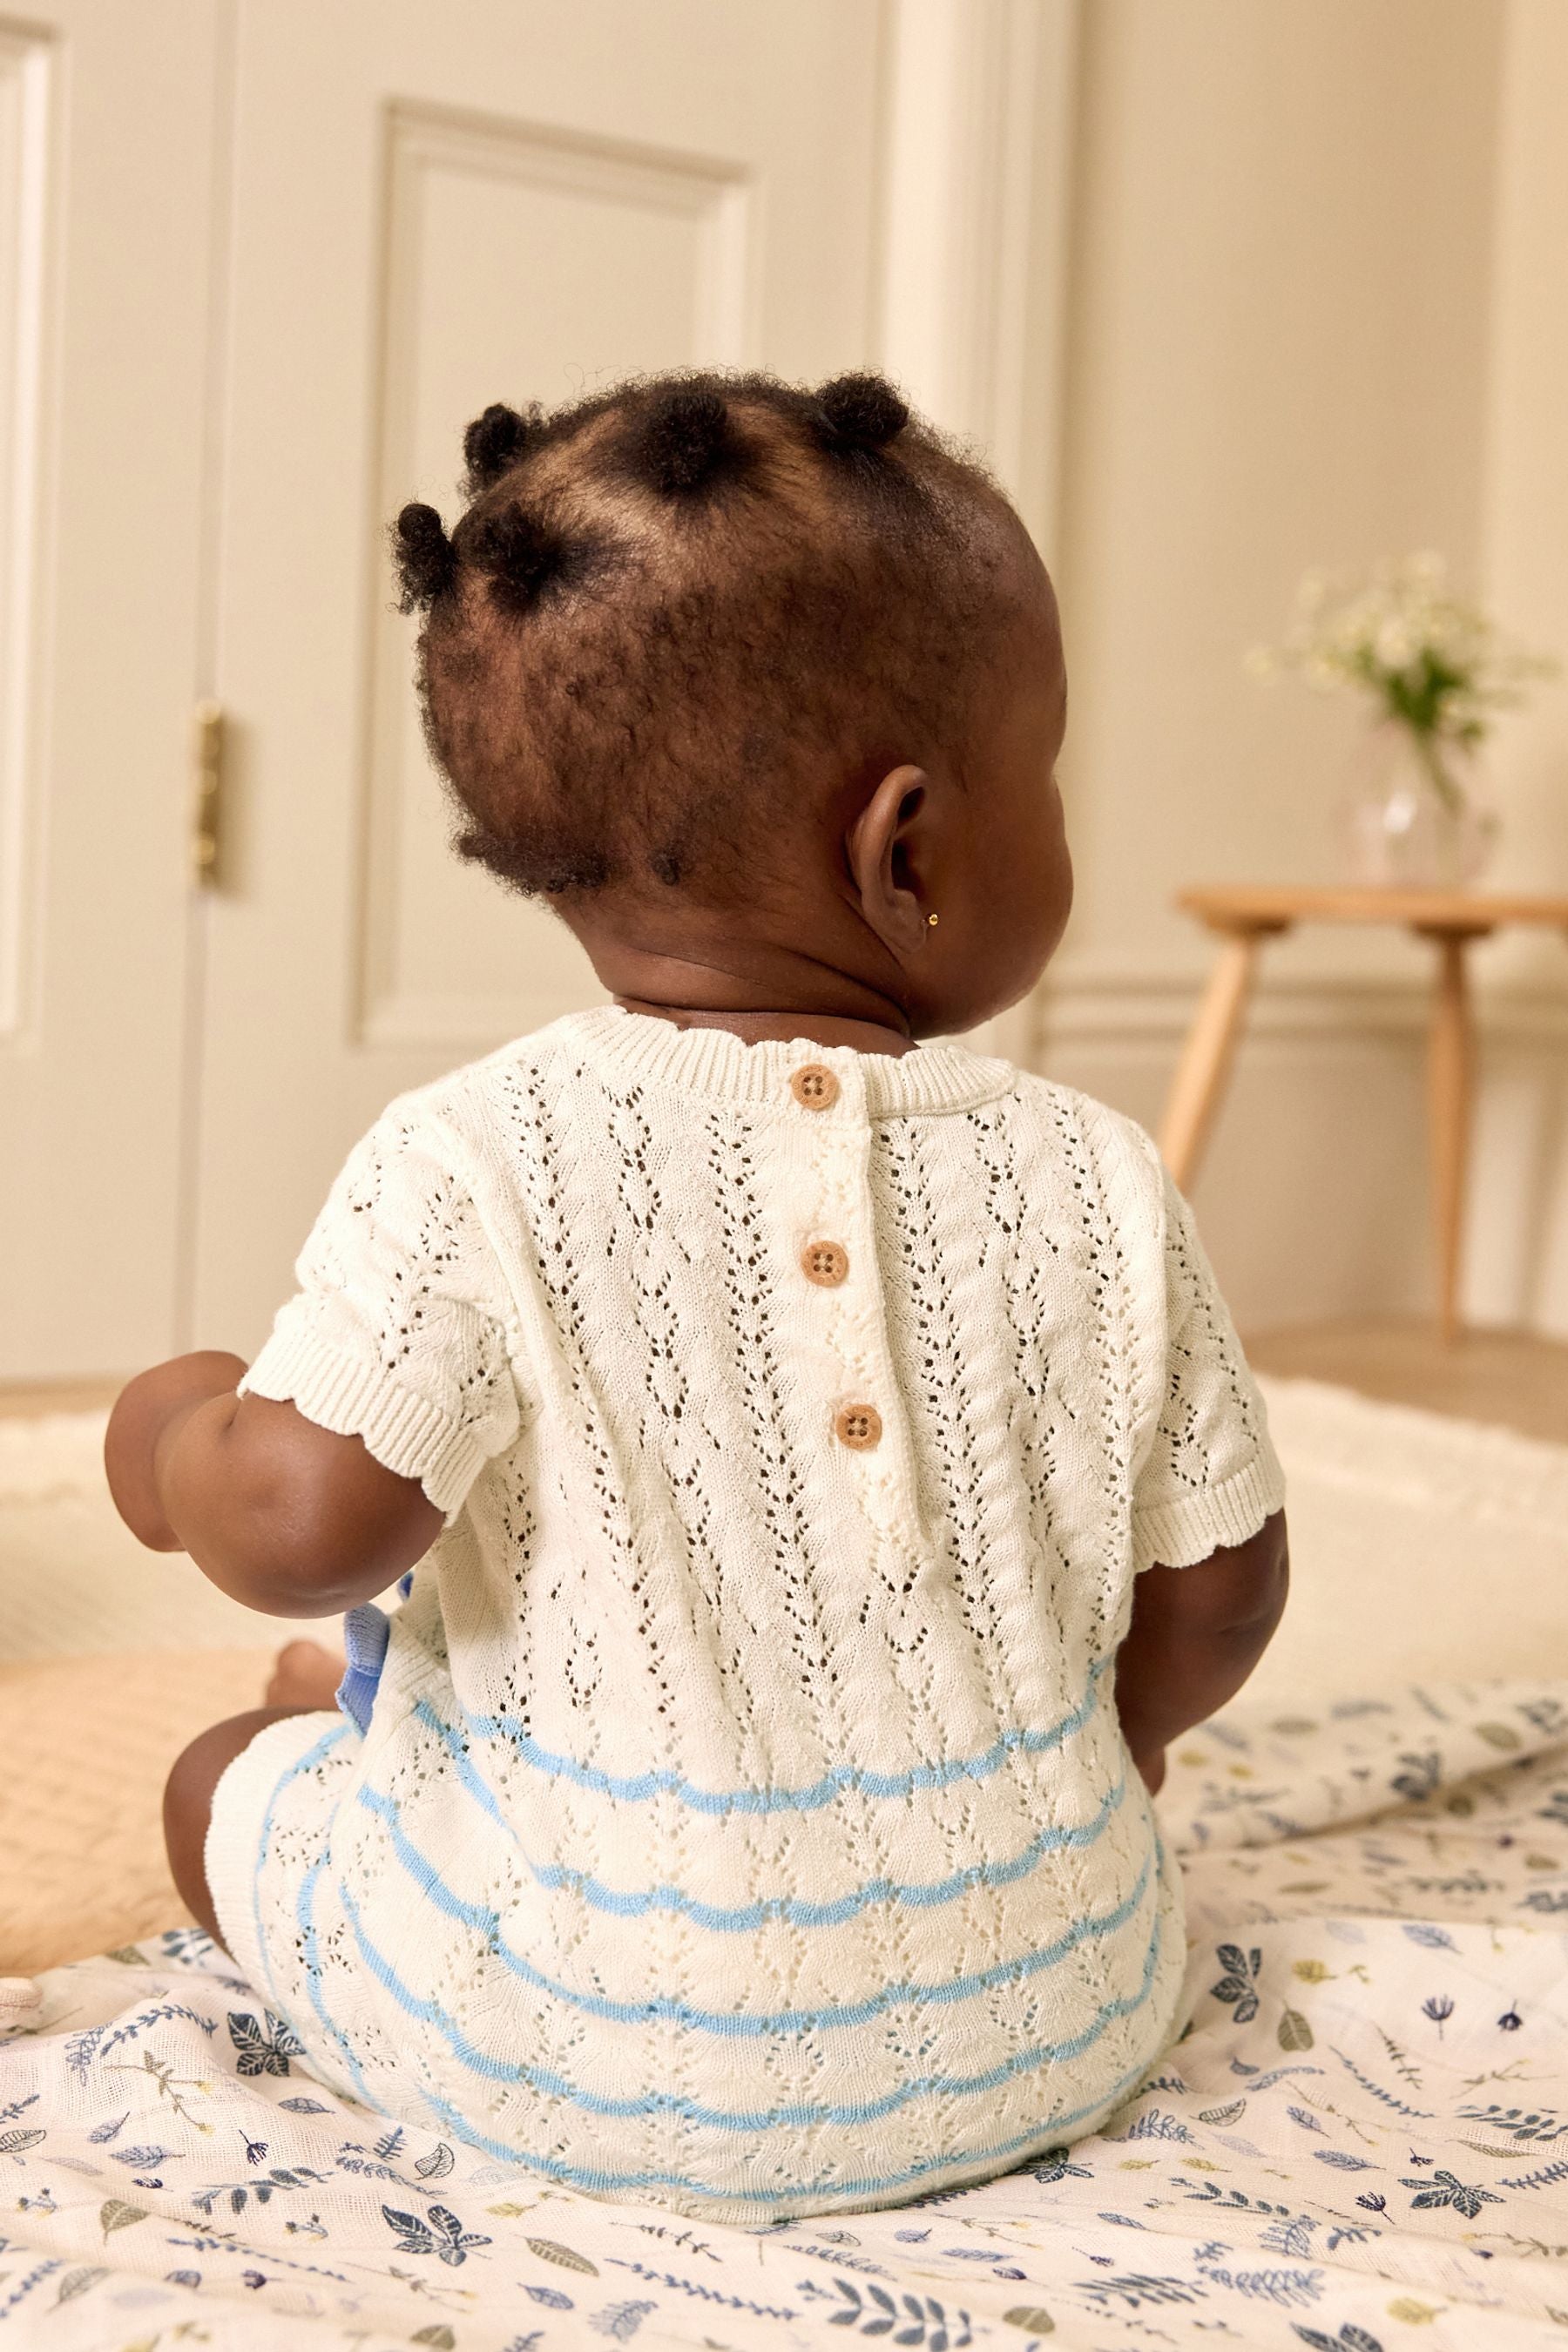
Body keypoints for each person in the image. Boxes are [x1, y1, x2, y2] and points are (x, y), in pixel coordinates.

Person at [105, 370, 1288, 2222]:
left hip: (571, 2050)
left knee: (216, 1782)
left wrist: (169, 1434)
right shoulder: (1098, 1176)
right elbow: (1220, 1598)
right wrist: (1095, 1763)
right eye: (1044, 772)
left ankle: (331, 1751)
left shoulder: (475, 1155)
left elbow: (301, 1528)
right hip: (1062, 2005)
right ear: (909, 848)